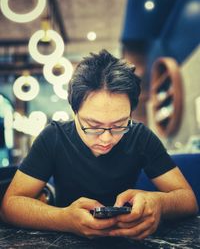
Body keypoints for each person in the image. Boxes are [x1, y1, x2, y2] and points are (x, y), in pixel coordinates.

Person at [0, 50, 198, 240]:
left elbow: (188, 199)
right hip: (64, 239)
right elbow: (10, 205)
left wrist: (160, 203)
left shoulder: (140, 136)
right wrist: (64, 219)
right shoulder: (53, 136)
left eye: (119, 125)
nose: (106, 139)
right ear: (74, 112)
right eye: (93, 126)